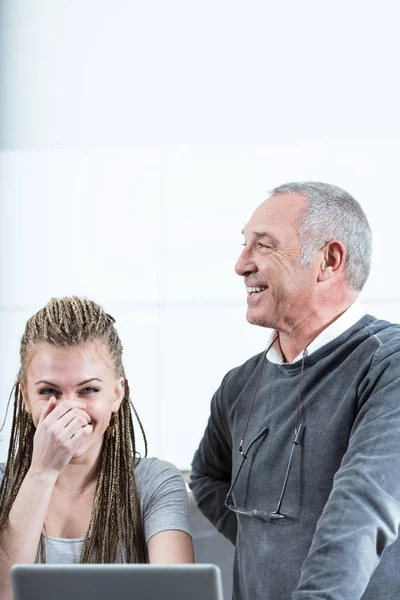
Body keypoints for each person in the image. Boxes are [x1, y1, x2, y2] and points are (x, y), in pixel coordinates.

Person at [190, 181, 400, 600]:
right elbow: (207, 477)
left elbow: (362, 505)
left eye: (264, 246)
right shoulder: (238, 386)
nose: (241, 264)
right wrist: (273, 543)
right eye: (244, 244)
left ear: (328, 260)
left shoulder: (387, 363)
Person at [0, 296, 194, 599]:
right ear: (25, 397)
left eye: (88, 390)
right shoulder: (3, 484)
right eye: (49, 391)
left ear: (117, 394)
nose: (70, 410)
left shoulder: (154, 483)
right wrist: (42, 472)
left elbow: (181, 595)